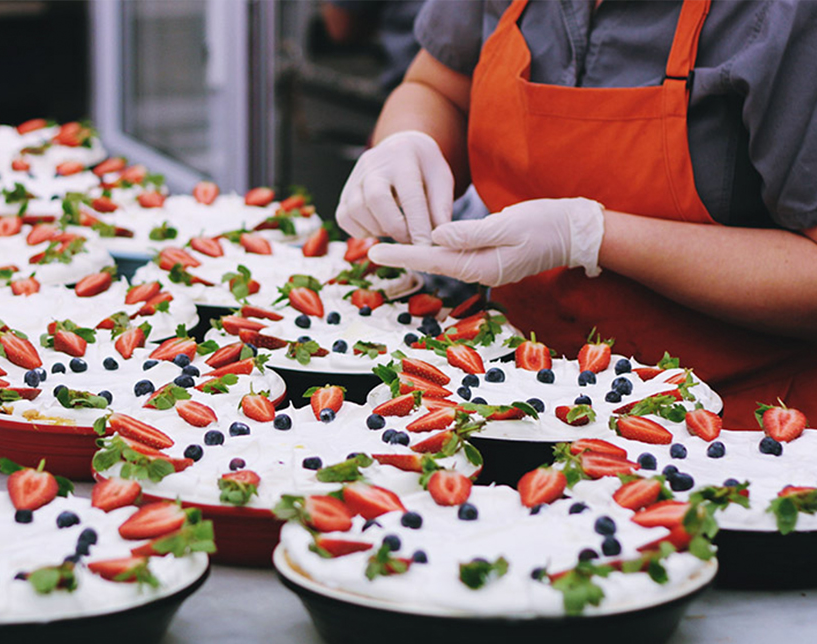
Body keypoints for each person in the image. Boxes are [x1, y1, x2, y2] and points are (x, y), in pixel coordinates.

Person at [335, 0, 817, 430]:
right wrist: (409, 141)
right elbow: (436, 86)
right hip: (506, 397)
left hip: (734, 429)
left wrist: (592, 237)